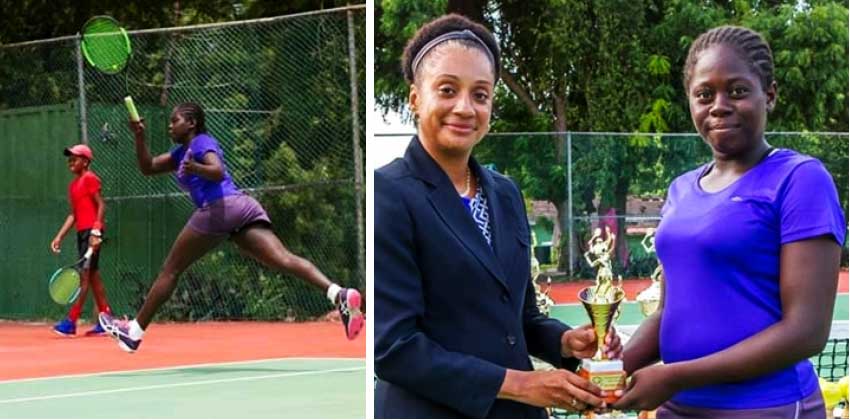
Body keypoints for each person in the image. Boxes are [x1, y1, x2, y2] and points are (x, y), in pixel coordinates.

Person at [374, 14, 621, 418]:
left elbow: (519, 318)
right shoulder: (388, 194)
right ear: (415, 99)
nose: (464, 107)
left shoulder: (504, 193)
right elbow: (394, 348)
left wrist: (566, 343)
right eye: (447, 90)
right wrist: (520, 384)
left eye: (481, 95)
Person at [614, 26, 846, 418]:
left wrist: (674, 377)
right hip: (678, 408)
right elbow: (669, 313)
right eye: (704, 94)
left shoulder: (801, 179)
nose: (718, 105)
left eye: (737, 91)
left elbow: (806, 331)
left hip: (765, 407)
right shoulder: (681, 189)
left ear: (769, 95)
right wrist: (613, 368)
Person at [98, 102, 363, 353]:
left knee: (171, 270)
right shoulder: (179, 154)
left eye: (175, 121)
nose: (170, 126)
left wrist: (196, 167)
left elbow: (217, 171)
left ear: (191, 123)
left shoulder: (202, 141)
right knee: (283, 259)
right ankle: (337, 293)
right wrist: (139, 136)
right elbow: (147, 167)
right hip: (241, 208)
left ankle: (133, 332)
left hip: (220, 207)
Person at [50, 144, 112, 336]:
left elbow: (101, 205)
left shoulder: (90, 179)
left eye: (75, 158)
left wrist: (96, 231)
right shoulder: (73, 186)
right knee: (92, 276)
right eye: (69, 158)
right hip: (81, 234)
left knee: (85, 276)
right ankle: (107, 319)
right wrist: (59, 236)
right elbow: (73, 215)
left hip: (92, 233)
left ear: (85, 161)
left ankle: (71, 321)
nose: (71, 161)